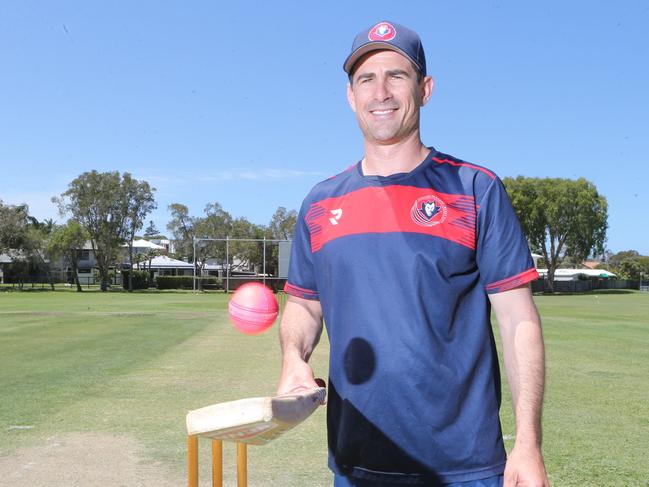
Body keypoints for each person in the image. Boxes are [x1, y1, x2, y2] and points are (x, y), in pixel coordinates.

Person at [277, 20, 550, 487]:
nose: (380, 91)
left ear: (425, 89)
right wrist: (293, 357)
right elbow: (305, 304)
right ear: (350, 96)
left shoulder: (473, 189)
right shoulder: (320, 204)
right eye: (366, 78)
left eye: (396, 76)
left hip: (465, 467)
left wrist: (528, 444)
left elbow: (518, 321)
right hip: (356, 462)